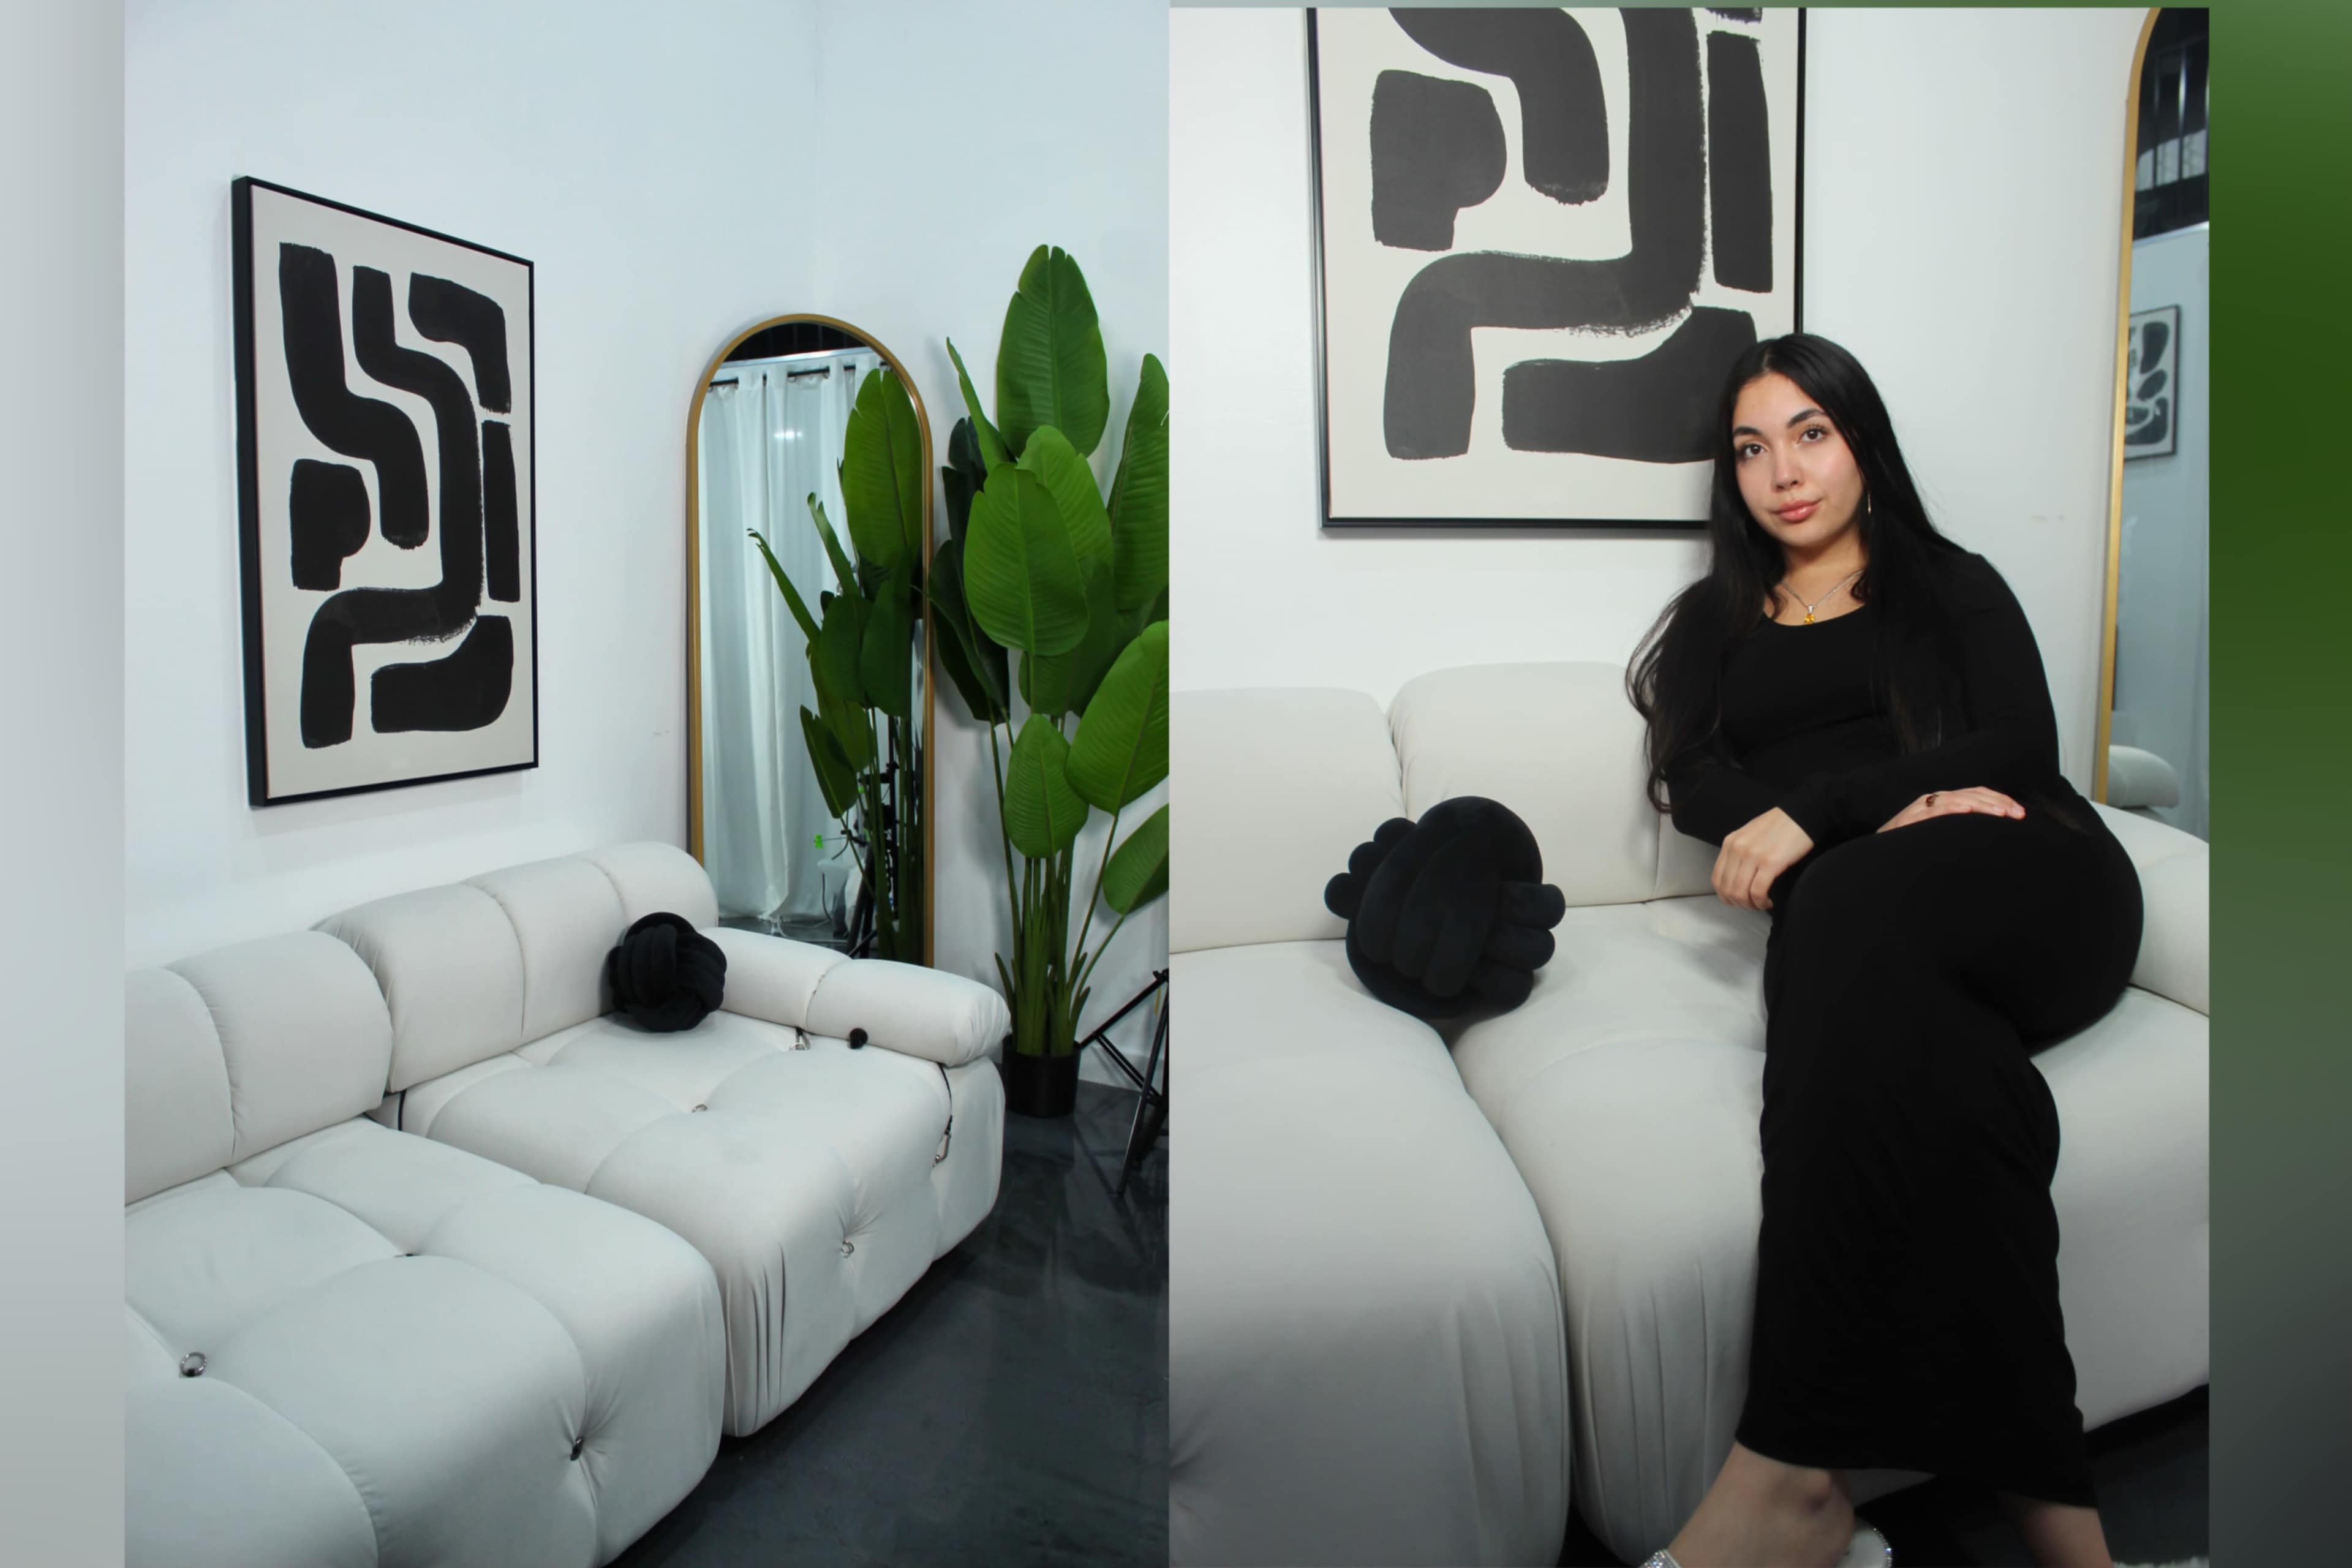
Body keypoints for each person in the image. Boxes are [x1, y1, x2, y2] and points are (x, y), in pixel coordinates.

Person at [1624, 333, 2143, 1568]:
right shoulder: (1715, 621)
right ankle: (2079, 1552)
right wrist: (1853, 834)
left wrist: (1834, 810)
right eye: (1752, 447)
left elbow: (2021, 745)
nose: (1781, 471)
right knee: (1956, 1088)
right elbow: (1692, 775)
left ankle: (1784, 1481)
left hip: (2035, 881)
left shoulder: (1947, 583)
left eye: (1810, 433)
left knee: (1843, 904)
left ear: (1862, 441)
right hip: (1875, 912)